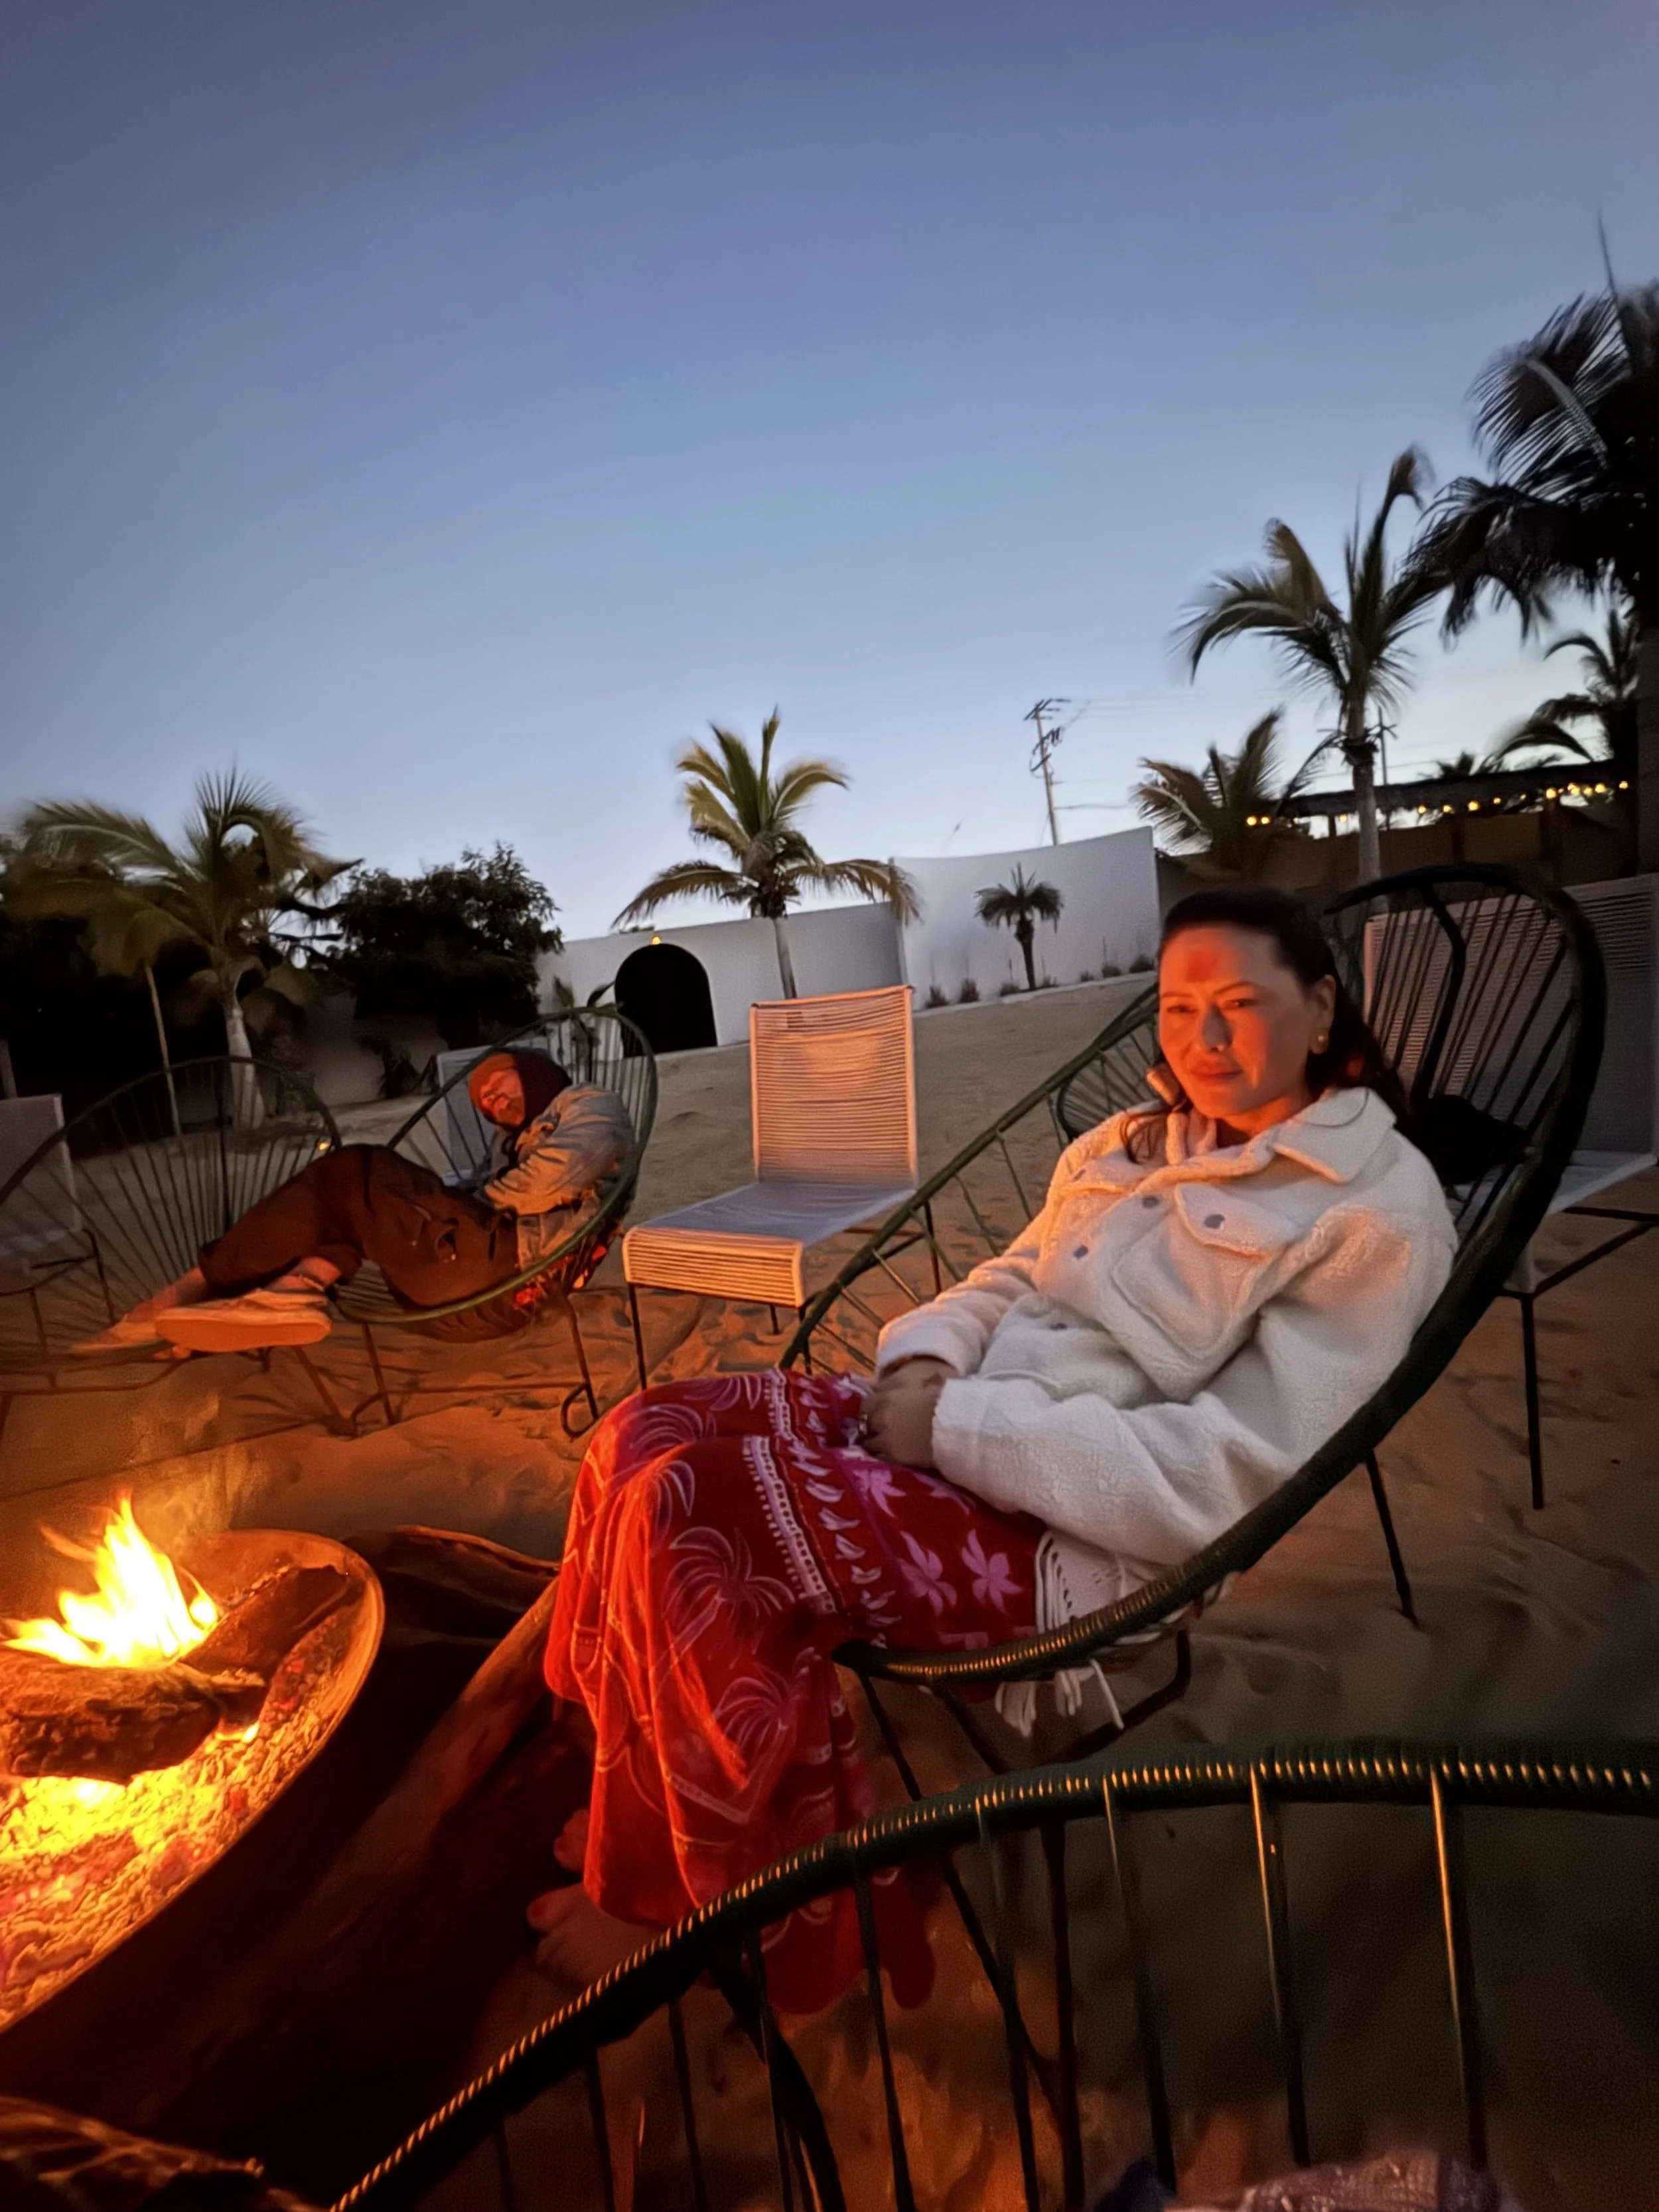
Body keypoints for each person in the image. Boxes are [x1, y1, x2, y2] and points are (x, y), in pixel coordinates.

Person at [527, 886, 1458, 2015]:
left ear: (1318, 1009)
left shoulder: (1372, 1210)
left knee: (700, 1512)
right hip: (952, 1424)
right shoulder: (1132, 1143)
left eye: (1240, 1004)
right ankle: (637, 1778)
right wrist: (922, 1366)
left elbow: (1229, 1479)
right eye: (1177, 1007)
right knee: (645, 1428)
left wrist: (961, 1432)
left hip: (1071, 1529)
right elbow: (1010, 1275)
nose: (1203, 1039)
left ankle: (678, 1888)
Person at [85, 1048, 633, 1354]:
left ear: (535, 1071)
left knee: (355, 1169)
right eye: (484, 1102)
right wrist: (428, 1198)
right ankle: (278, 1292)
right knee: (350, 1198)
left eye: (498, 1084)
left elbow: (550, 1181)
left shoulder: (588, 1105)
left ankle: (189, 1293)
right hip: (458, 1279)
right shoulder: (508, 1146)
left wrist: (444, 1200)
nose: (491, 1102)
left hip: (507, 1277)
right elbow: (478, 1190)